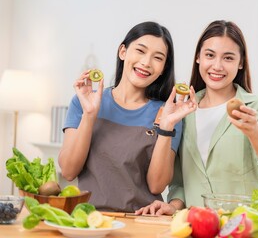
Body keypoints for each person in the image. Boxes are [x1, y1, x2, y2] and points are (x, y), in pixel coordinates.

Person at [136, 20, 258, 218]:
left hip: (249, 228)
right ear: (198, 58)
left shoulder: (255, 109)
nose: (217, 66)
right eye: (210, 55)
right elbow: (181, 182)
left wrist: (255, 131)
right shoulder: (184, 113)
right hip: (201, 227)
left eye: (228, 58)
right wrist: (174, 206)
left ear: (241, 62)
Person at [58, 21, 197, 212]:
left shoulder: (168, 113)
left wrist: (166, 127)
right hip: (90, 221)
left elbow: (157, 186)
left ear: (164, 67)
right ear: (123, 52)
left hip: (141, 222)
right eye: (140, 51)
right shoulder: (84, 102)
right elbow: (68, 171)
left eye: (158, 58)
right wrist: (90, 115)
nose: (146, 62)